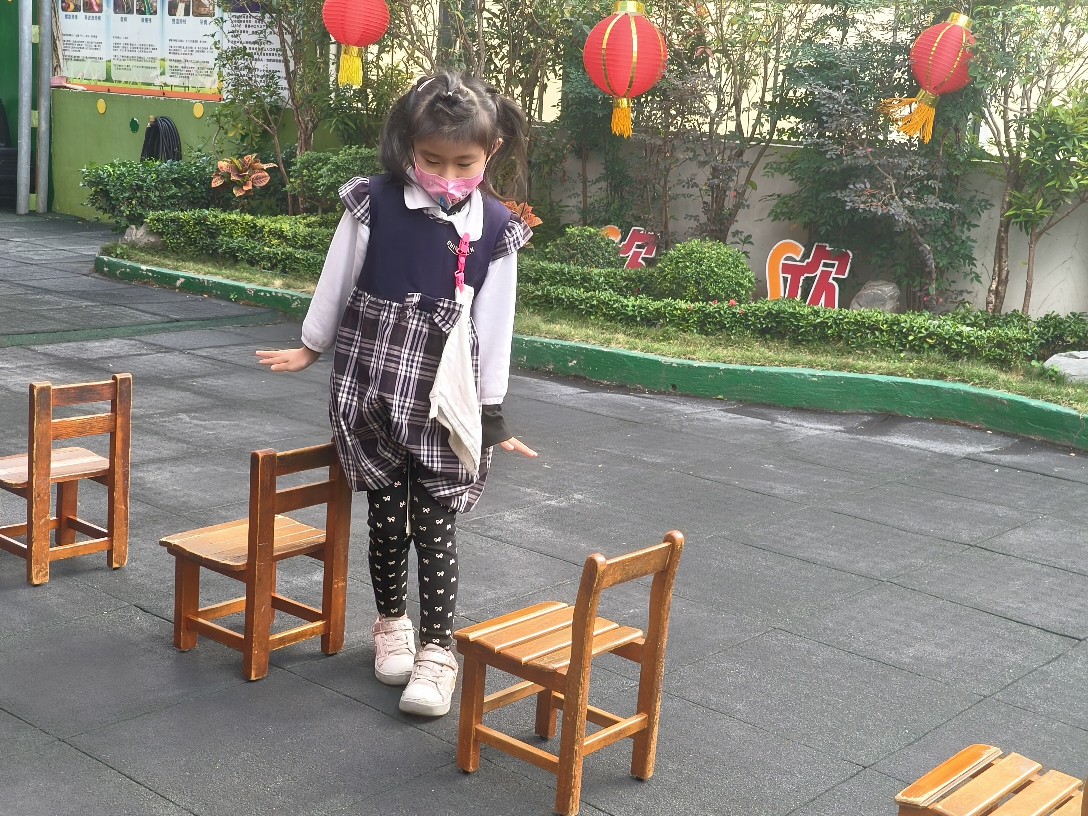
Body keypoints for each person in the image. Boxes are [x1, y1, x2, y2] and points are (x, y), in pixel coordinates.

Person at [256, 72, 538, 718]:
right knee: (386, 519)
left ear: (490, 152)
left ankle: (438, 652)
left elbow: (495, 327)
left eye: (463, 163)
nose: (446, 175)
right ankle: (391, 625)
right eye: (431, 160)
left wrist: (492, 414)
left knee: (435, 523)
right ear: (408, 144)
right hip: (372, 384)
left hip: (445, 398)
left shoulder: (496, 228)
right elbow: (337, 278)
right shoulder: (374, 203)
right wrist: (311, 345)